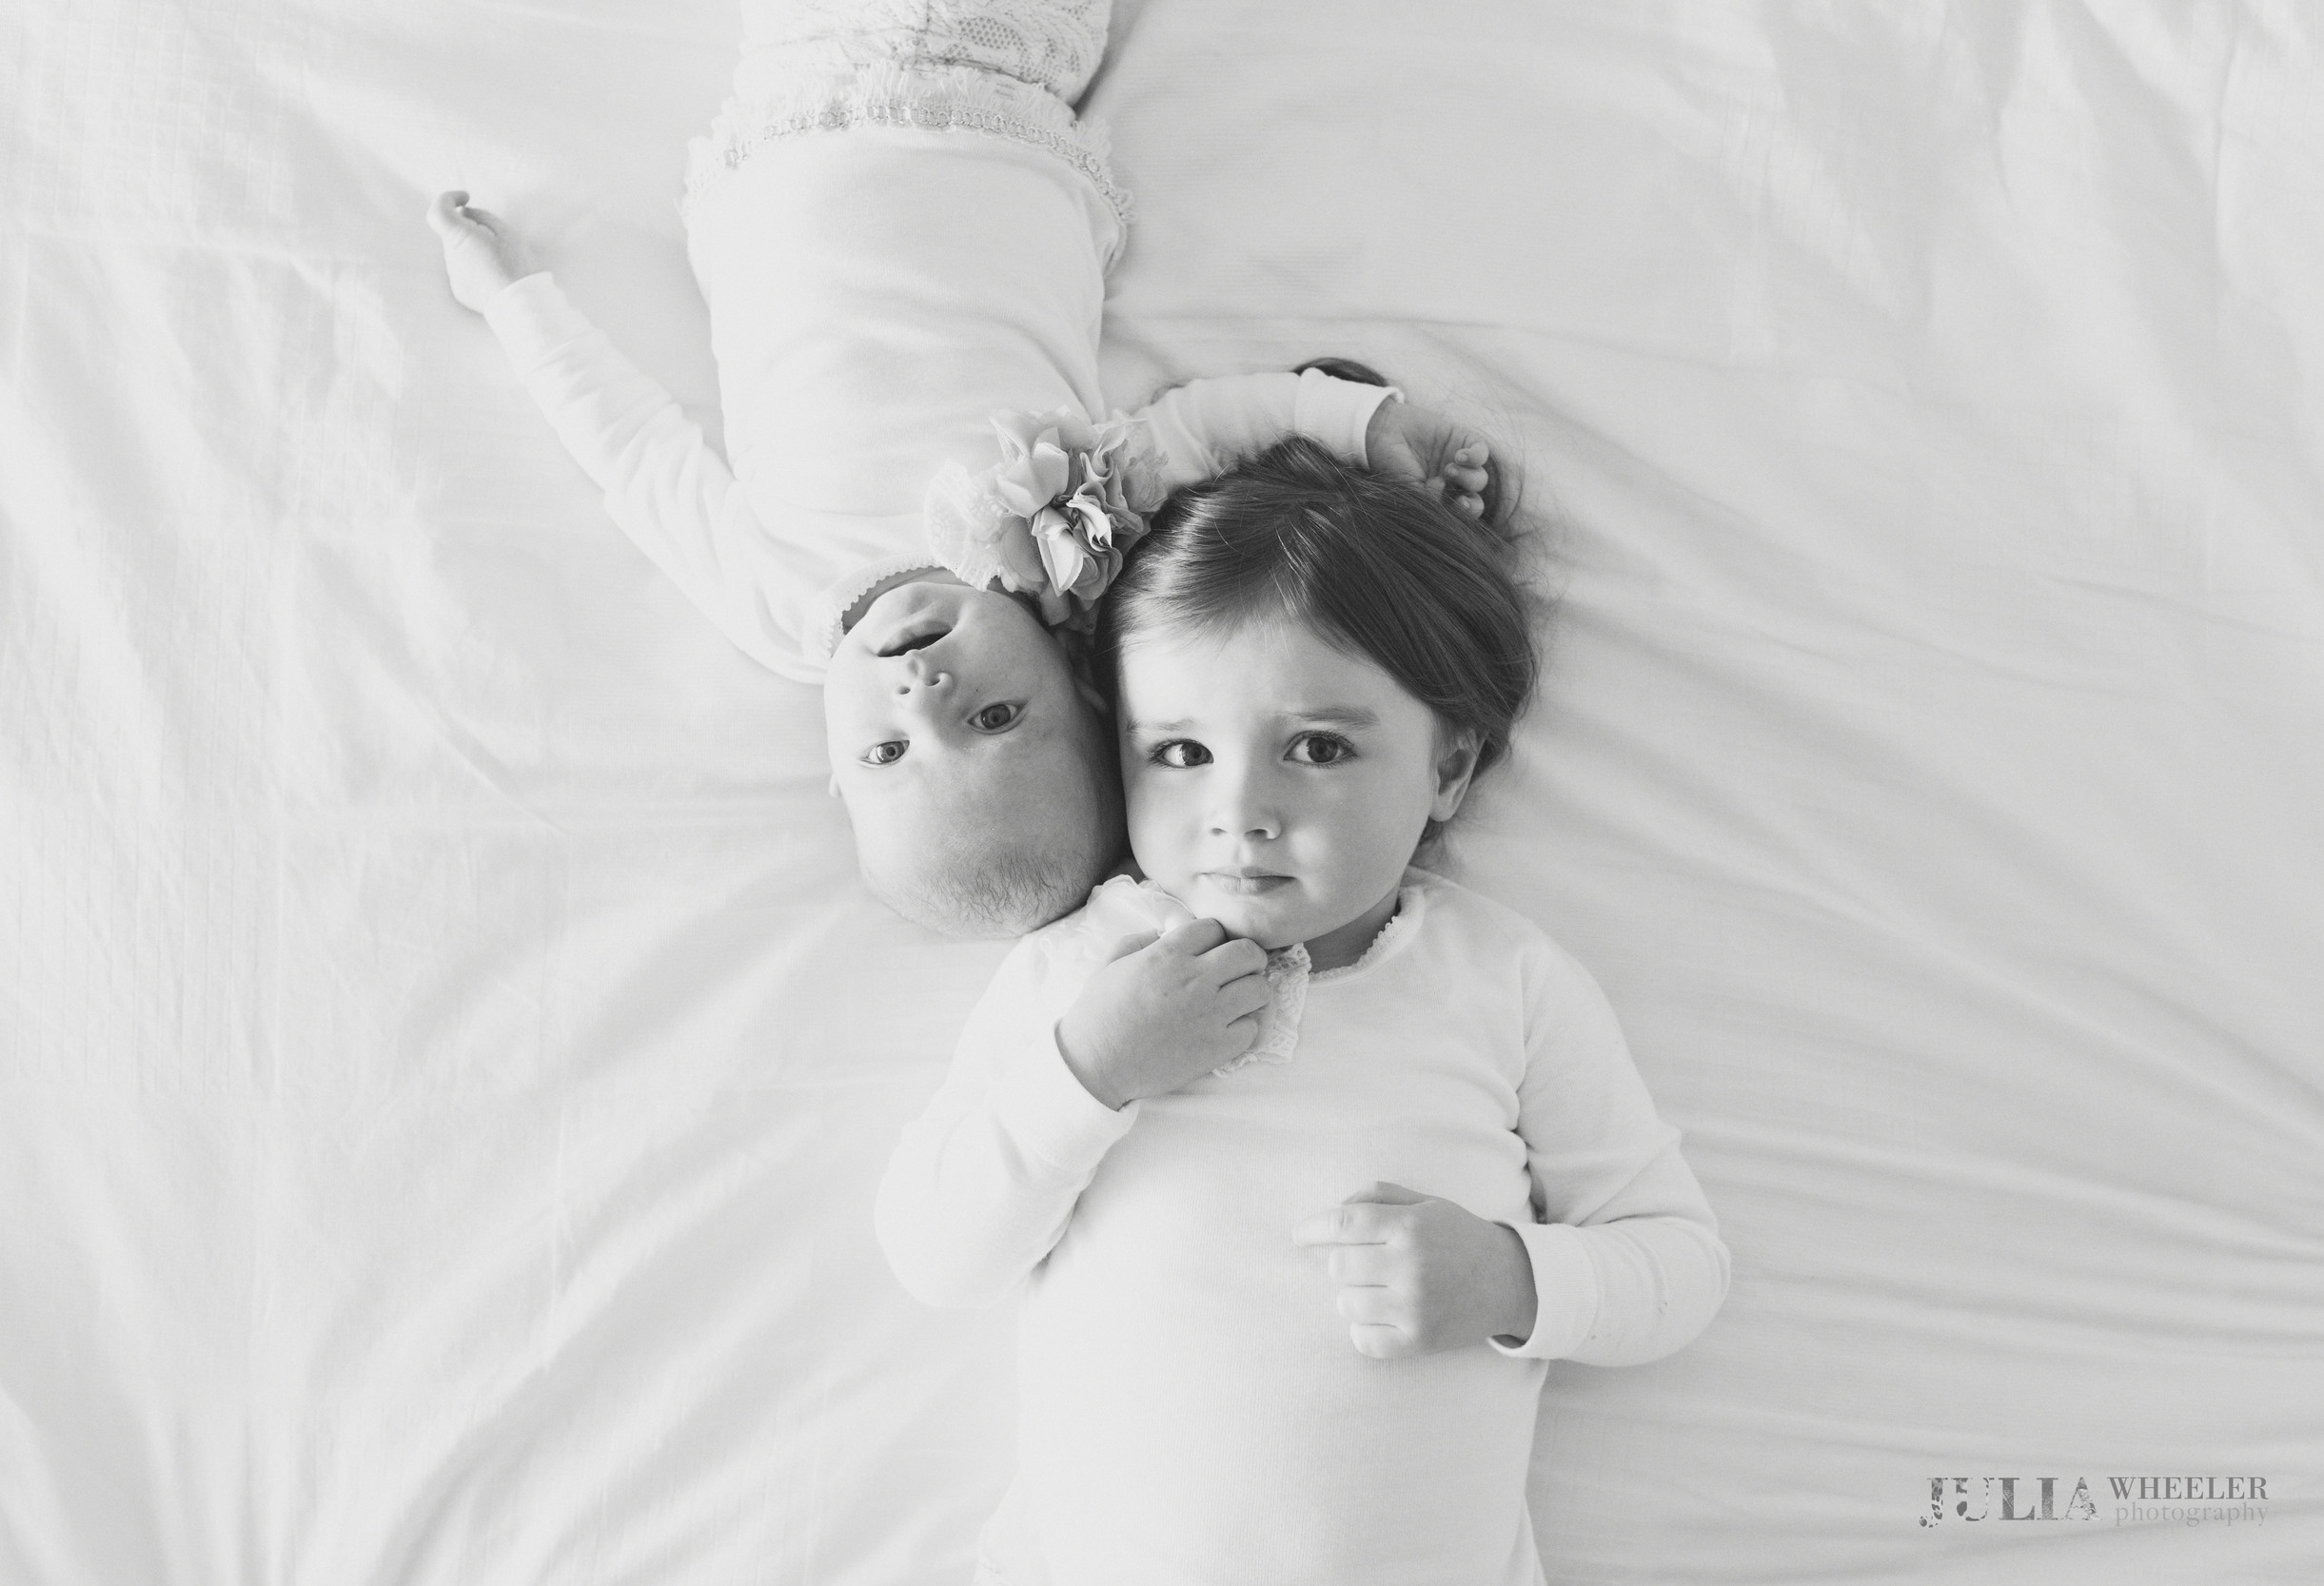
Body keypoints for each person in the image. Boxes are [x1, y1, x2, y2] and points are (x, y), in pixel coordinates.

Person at [423, 0, 1494, 937]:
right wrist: (1358, 421)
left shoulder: (778, 602)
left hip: (802, 87)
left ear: (837, 773)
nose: (923, 696)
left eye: (888, 754)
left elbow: (629, 449)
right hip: (1005, 79)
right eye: (994, 720)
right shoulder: (1080, 540)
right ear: (1079, 683)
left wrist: (512, 301)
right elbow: (1207, 425)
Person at [876, 438, 1731, 1584]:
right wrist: (1088, 1070)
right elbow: (936, 1255)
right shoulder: (1079, 973)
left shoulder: (1501, 982)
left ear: (1448, 767)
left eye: (1317, 747)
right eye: (1180, 751)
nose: (1239, 810)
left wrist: (1511, 1276)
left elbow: (1679, 1264)